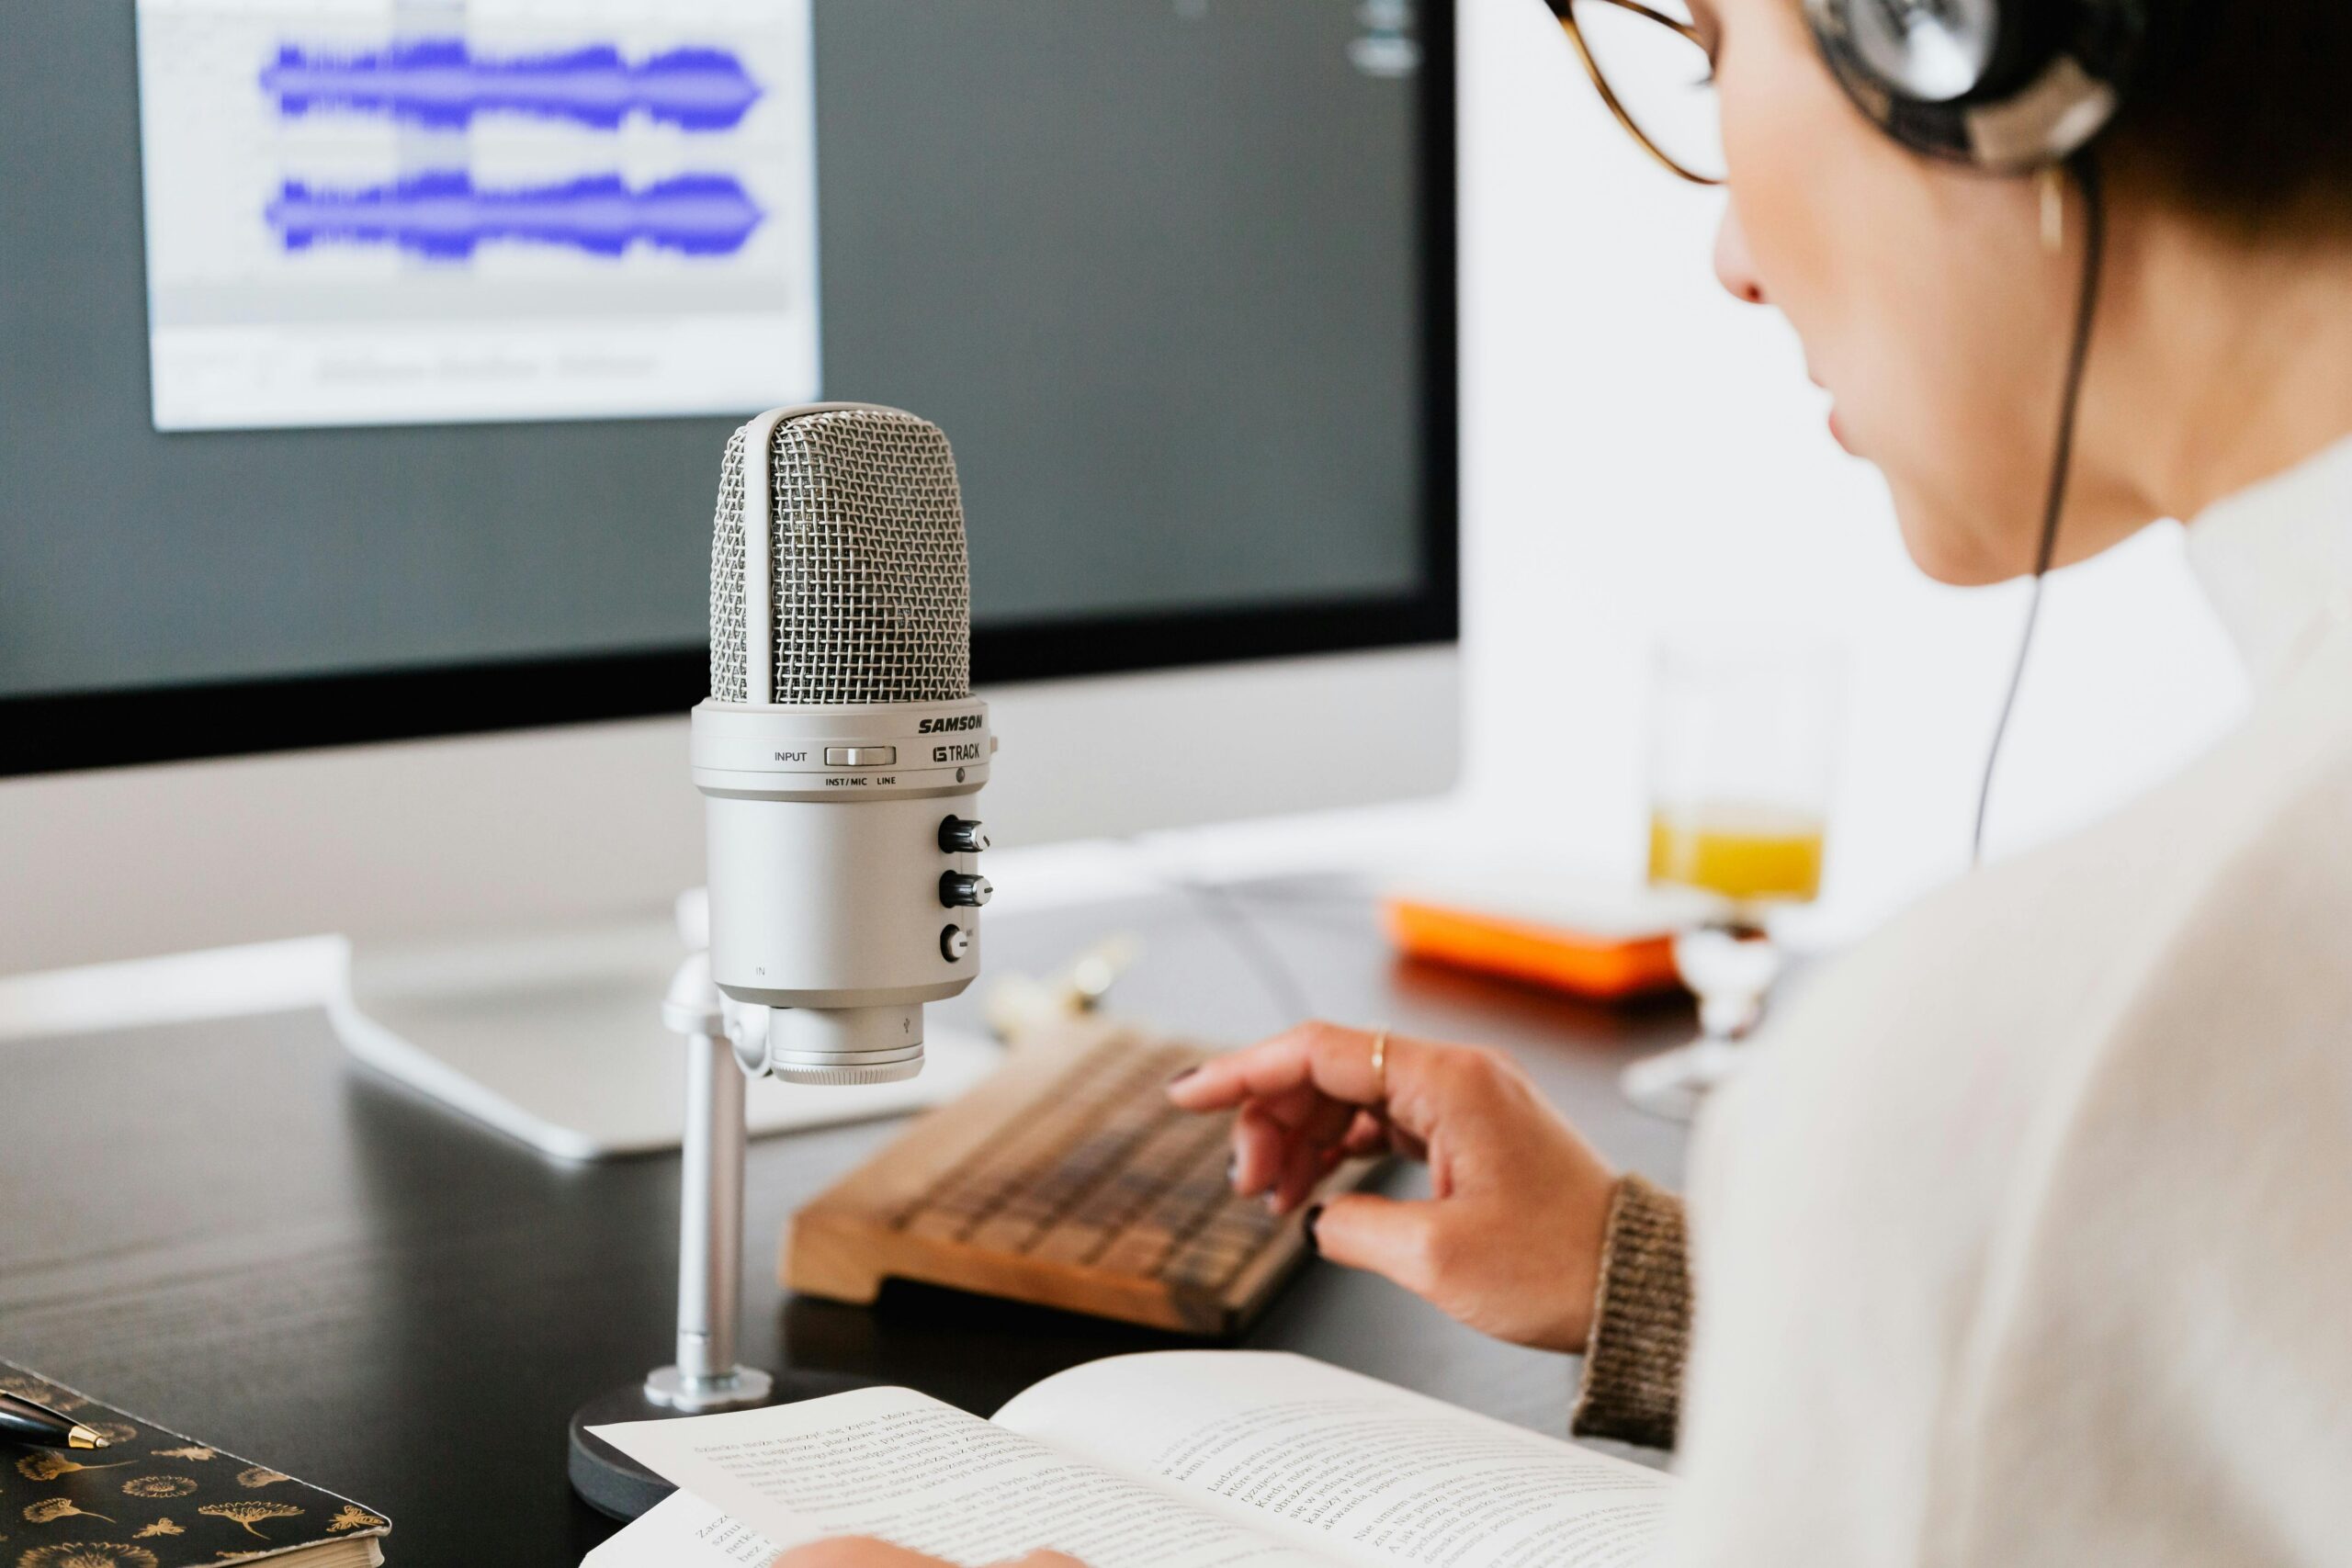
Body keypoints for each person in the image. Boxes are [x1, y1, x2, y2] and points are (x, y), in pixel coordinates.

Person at [783, 0, 2352, 1562]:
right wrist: (1675, 1286)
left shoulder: (2049, 1079)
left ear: (1967, 44)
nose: (1733, 257)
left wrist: (1911, 1214)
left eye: (1718, 55)